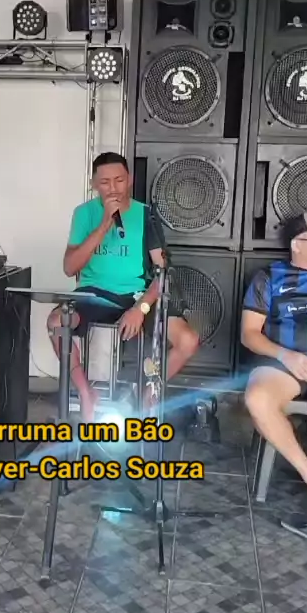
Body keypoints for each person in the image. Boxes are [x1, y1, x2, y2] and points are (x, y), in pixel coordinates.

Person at [47, 152, 199, 420]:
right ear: (94, 184)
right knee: (57, 322)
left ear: (129, 180)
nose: (113, 188)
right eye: (105, 182)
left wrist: (141, 308)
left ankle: (148, 394)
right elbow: (70, 267)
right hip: (94, 295)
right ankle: (85, 393)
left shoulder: (145, 215)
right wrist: (104, 225)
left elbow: (163, 271)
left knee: (188, 340)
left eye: (119, 180)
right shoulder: (84, 214)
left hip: (136, 296)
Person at [242, 211, 307, 522]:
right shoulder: (269, 277)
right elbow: (249, 334)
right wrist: (286, 356)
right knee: (258, 399)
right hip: (284, 363)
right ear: (297, 244)